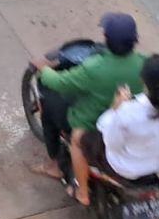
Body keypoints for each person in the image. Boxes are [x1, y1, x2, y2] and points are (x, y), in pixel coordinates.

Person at [31, 13, 147, 206]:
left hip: (90, 123)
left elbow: (60, 82)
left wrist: (44, 70)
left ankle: (55, 165)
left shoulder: (94, 68)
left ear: (107, 40)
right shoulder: (144, 62)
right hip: (127, 122)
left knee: (50, 103)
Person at [82, 54, 159, 182]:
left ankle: (83, 188)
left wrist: (115, 108)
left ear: (142, 79)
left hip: (127, 168)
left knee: (83, 140)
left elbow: (110, 140)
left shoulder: (128, 110)